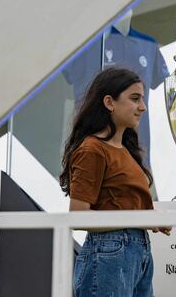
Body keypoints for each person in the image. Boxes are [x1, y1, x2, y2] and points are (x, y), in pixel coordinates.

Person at [60, 66, 169, 297]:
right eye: (135, 98)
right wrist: (141, 217)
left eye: (143, 99)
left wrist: (149, 217)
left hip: (137, 251)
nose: (143, 107)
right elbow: (77, 215)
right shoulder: (92, 149)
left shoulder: (126, 150)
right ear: (109, 102)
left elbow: (120, 205)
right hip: (110, 253)